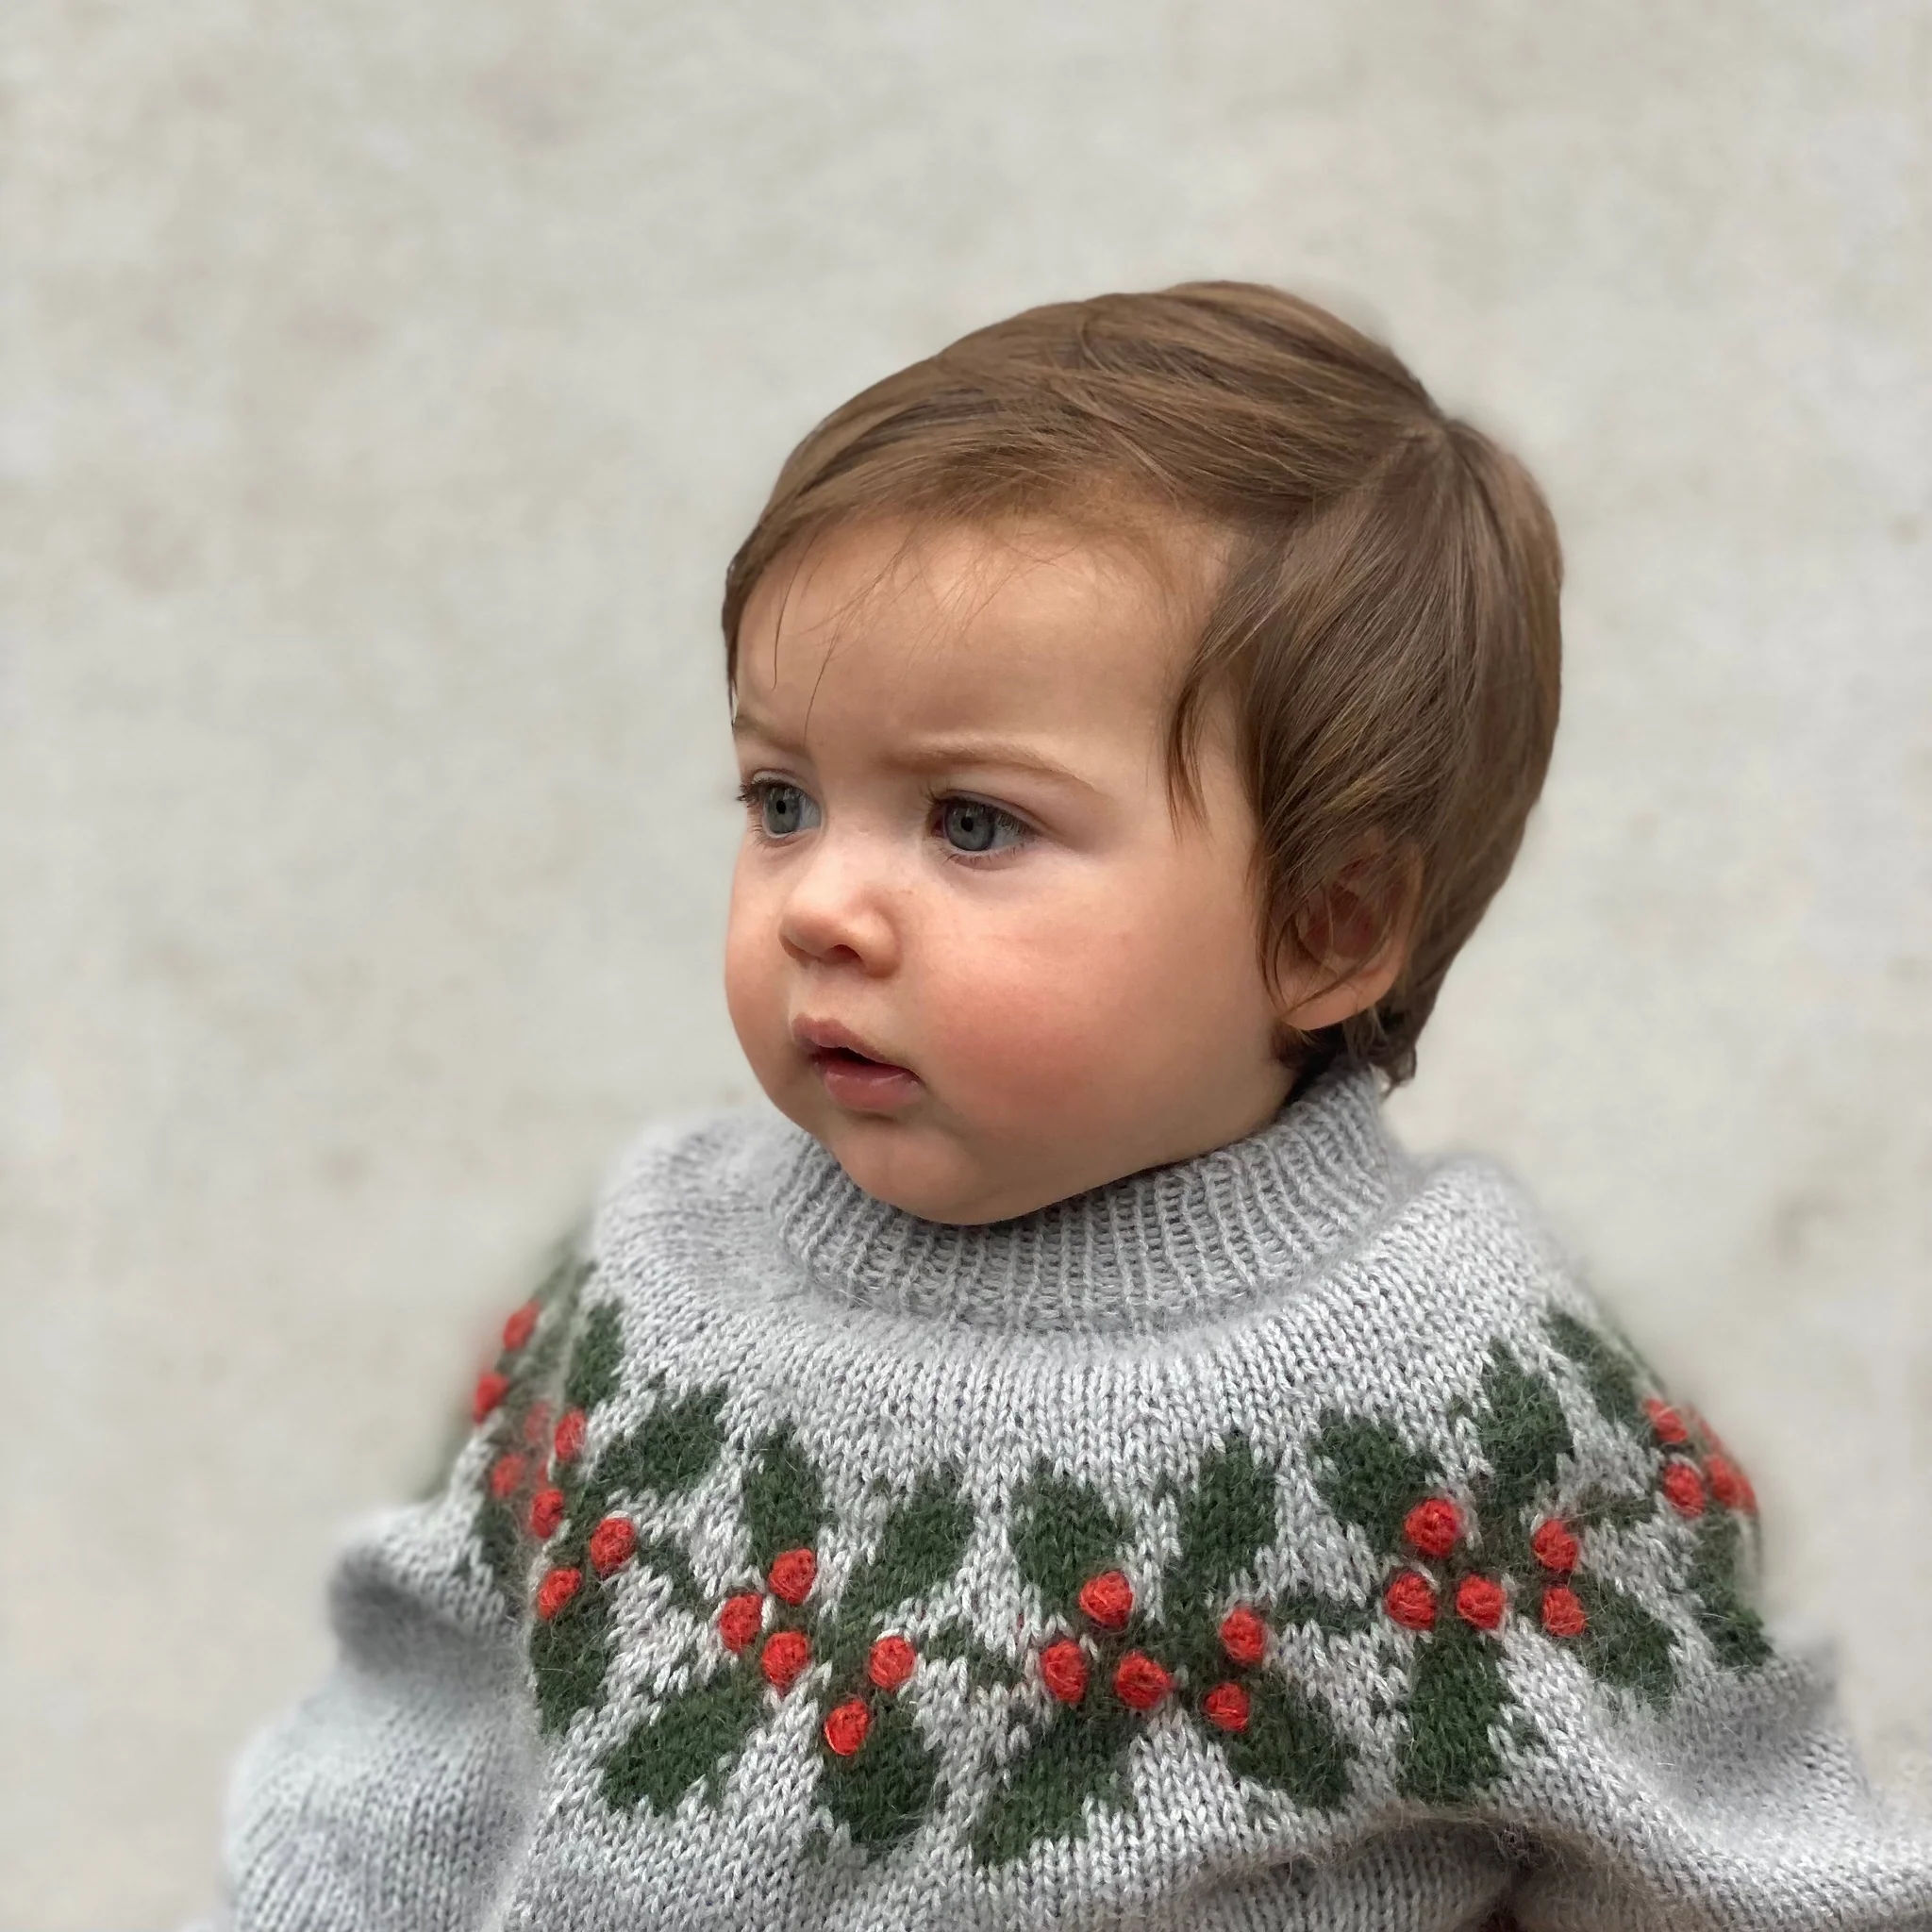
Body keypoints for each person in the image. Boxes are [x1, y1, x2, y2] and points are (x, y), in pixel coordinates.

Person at [186, 283, 1932, 1930]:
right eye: (783, 800)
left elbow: (1740, 1875)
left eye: (973, 824)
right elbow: (418, 1731)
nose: (820, 904)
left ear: (1326, 929)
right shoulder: (658, 1270)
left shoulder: (1462, 1397)